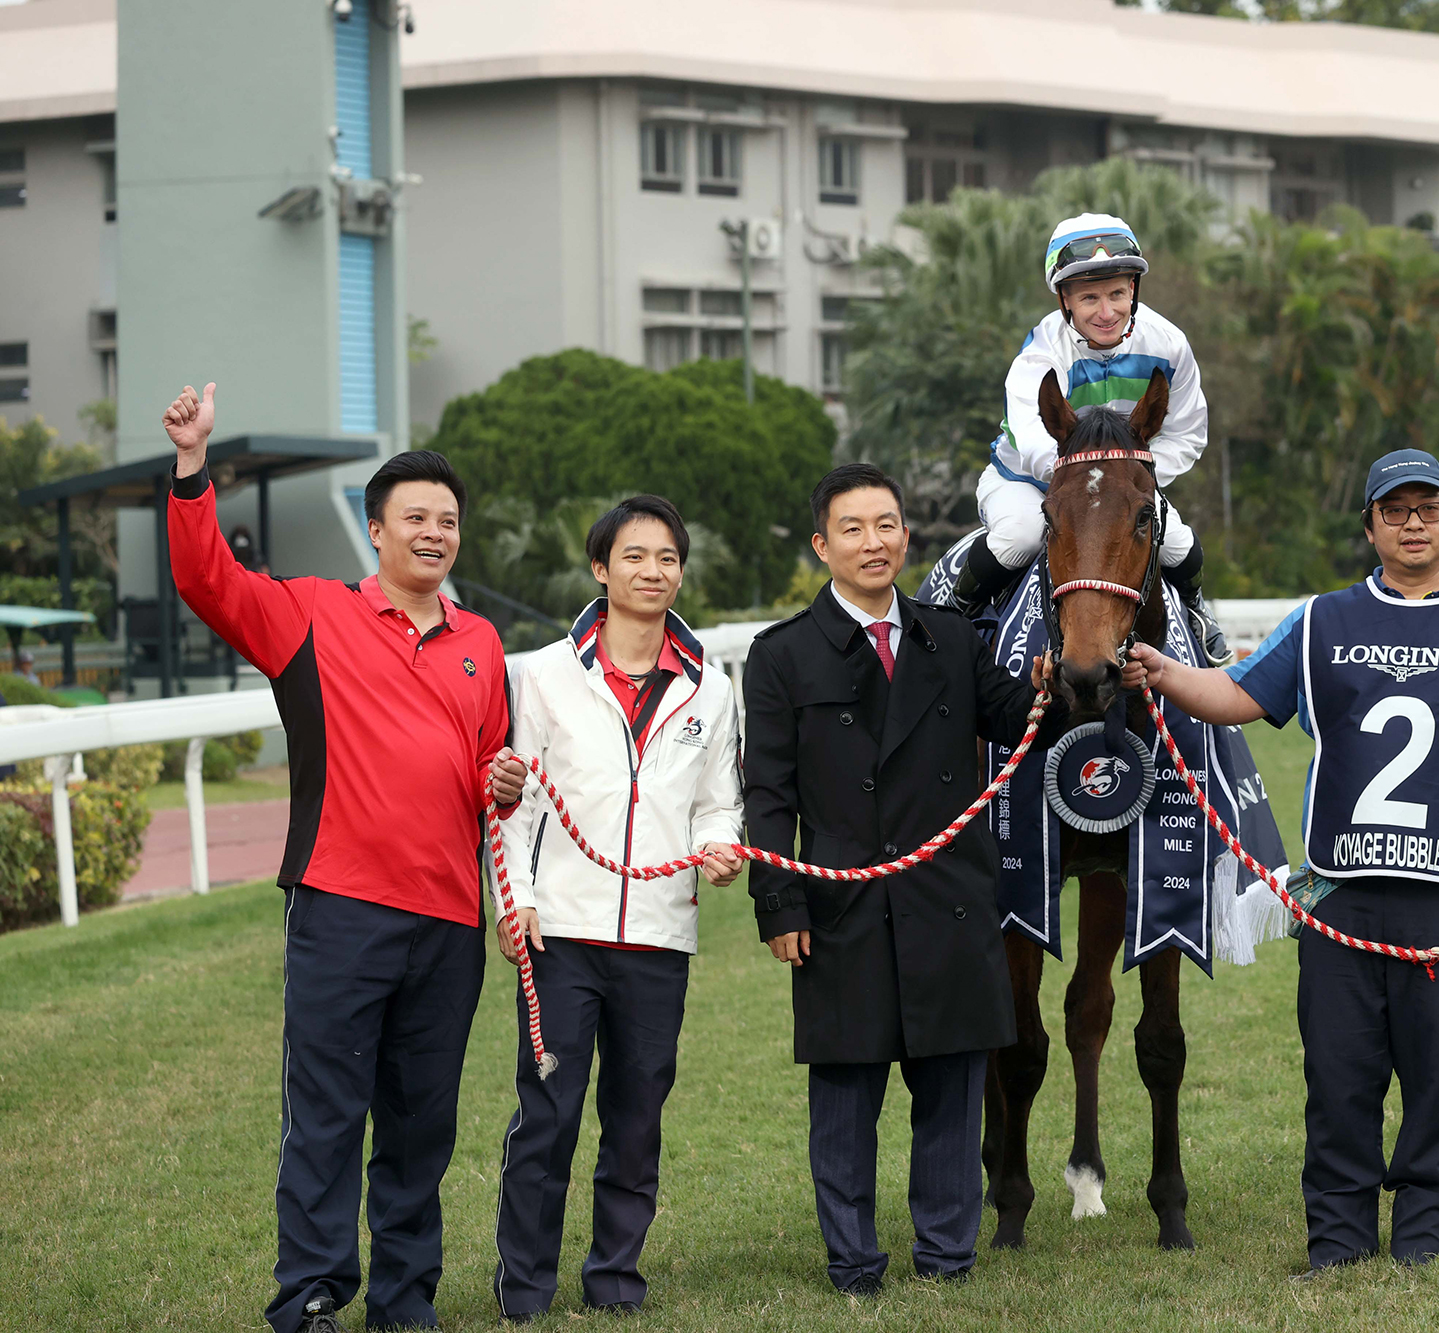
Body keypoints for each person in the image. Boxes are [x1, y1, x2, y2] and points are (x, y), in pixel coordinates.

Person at [1120, 448, 1439, 1271]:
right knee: (1339, 1074)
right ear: (1369, 525)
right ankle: (1338, 1237)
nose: (1412, 523)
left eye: (1427, 508)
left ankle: (1426, 1232)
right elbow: (1239, 696)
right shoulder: (1324, 617)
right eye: (1394, 509)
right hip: (1340, 894)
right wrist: (1163, 671)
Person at [161, 383, 527, 1333]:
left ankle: (406, 1302)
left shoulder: (483, 642)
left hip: (449, 923)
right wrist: (194, 467)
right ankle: (311, 1295)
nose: (435, 533)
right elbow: (206, 581)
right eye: (416, 518)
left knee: (420, 1125)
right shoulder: (308, 613)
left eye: (448, 520)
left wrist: (507, 780)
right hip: (340, 906)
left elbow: (489, 769)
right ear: (377, 531)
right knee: (326, 1116)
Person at [742, 463, 1062, 1296]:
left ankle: (948, 1252)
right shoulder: (780, 657)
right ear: (823, 545)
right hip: (841, 908)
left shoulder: (953, 639)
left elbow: (1022, 714)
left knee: (954, 1089)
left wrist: (1059, 681)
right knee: (847, 1093)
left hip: (948, 901)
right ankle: (852, 1261)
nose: (872, 542)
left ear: (906, 536)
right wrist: (778, 900)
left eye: (886, 525)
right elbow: (768, 795)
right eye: (851, 528)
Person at [484, 495, 744, 1322]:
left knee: (636, 1123)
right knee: (546, 1121)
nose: (652, 571)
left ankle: (615, 1280)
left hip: (659, 938)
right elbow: (516, 801)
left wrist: (722, 843)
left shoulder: (712, 686)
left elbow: (716, 801)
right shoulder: (546, 675)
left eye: (667, 557)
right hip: (561, 934)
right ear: (602, 568)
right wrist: (516, 901)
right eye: (634, 556)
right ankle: (524, 1288)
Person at [950, 212, 1232, 664]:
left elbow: (1187, 433)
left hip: (1123, 483)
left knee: (1179, 544)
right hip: (1029, 481)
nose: (1107, 312)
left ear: (1134, 290)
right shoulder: (1040, 354)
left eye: (1118, 293)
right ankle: (954, 615)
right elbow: (1034, 439)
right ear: (1064, 299)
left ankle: (1198, 613)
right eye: (1089, 298)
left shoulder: (1171, 345)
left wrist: (1134, 474)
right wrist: (1083, 483)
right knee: (1021, 535)